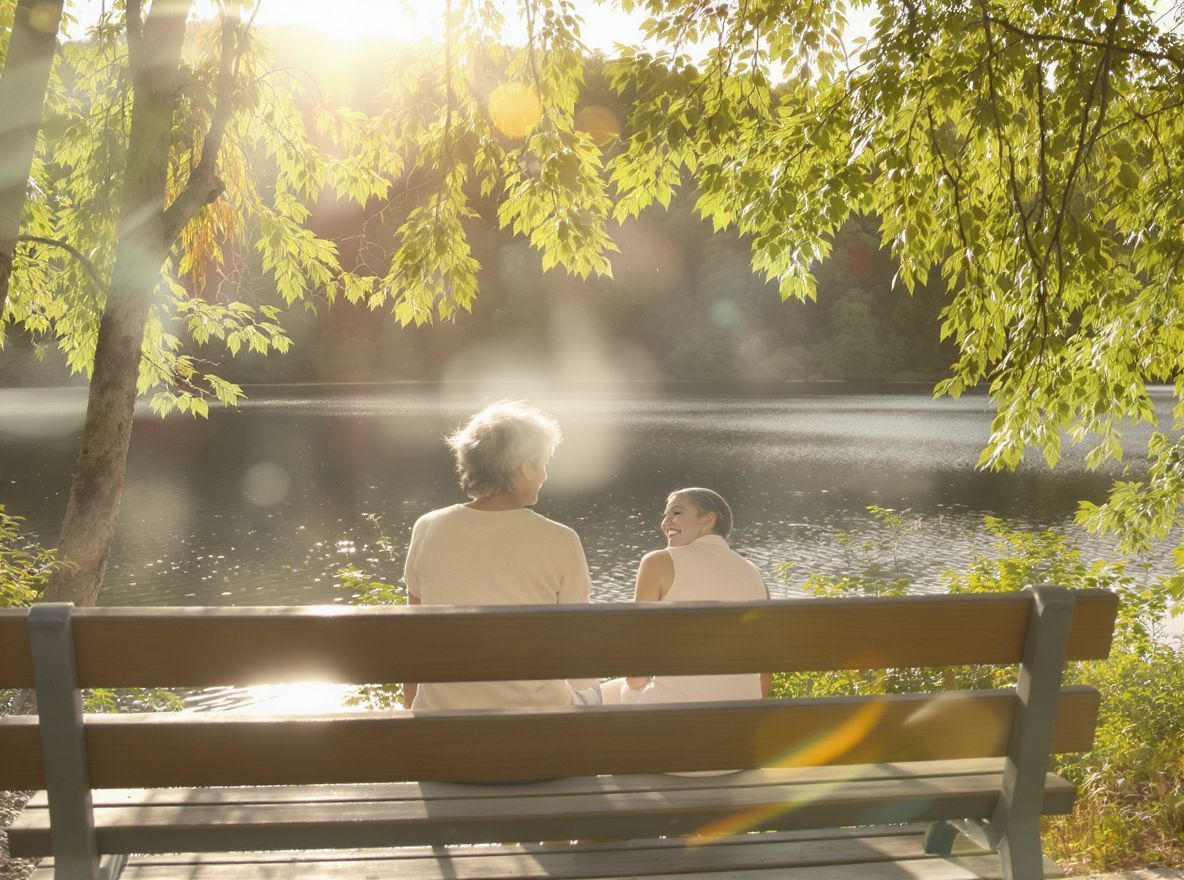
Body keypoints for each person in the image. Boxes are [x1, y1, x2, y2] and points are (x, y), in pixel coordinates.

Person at [401, 401, 596, 710]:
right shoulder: (561, 540)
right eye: (542, 463)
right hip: (535, 720)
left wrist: (411, 709)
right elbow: (578, 646)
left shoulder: (428, 528)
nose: (545, 475)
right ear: (524, 466)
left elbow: (414, 633)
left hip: (441, 719)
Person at [601, 487, 771, 704]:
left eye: (677, 513)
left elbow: (636, 674)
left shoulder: (658, 562)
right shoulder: (755, 575)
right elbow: (765, 668)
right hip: (741, 713)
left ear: (708, 520)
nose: (665, 523)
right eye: (665, 516)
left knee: (587, 701)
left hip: (673, 714)